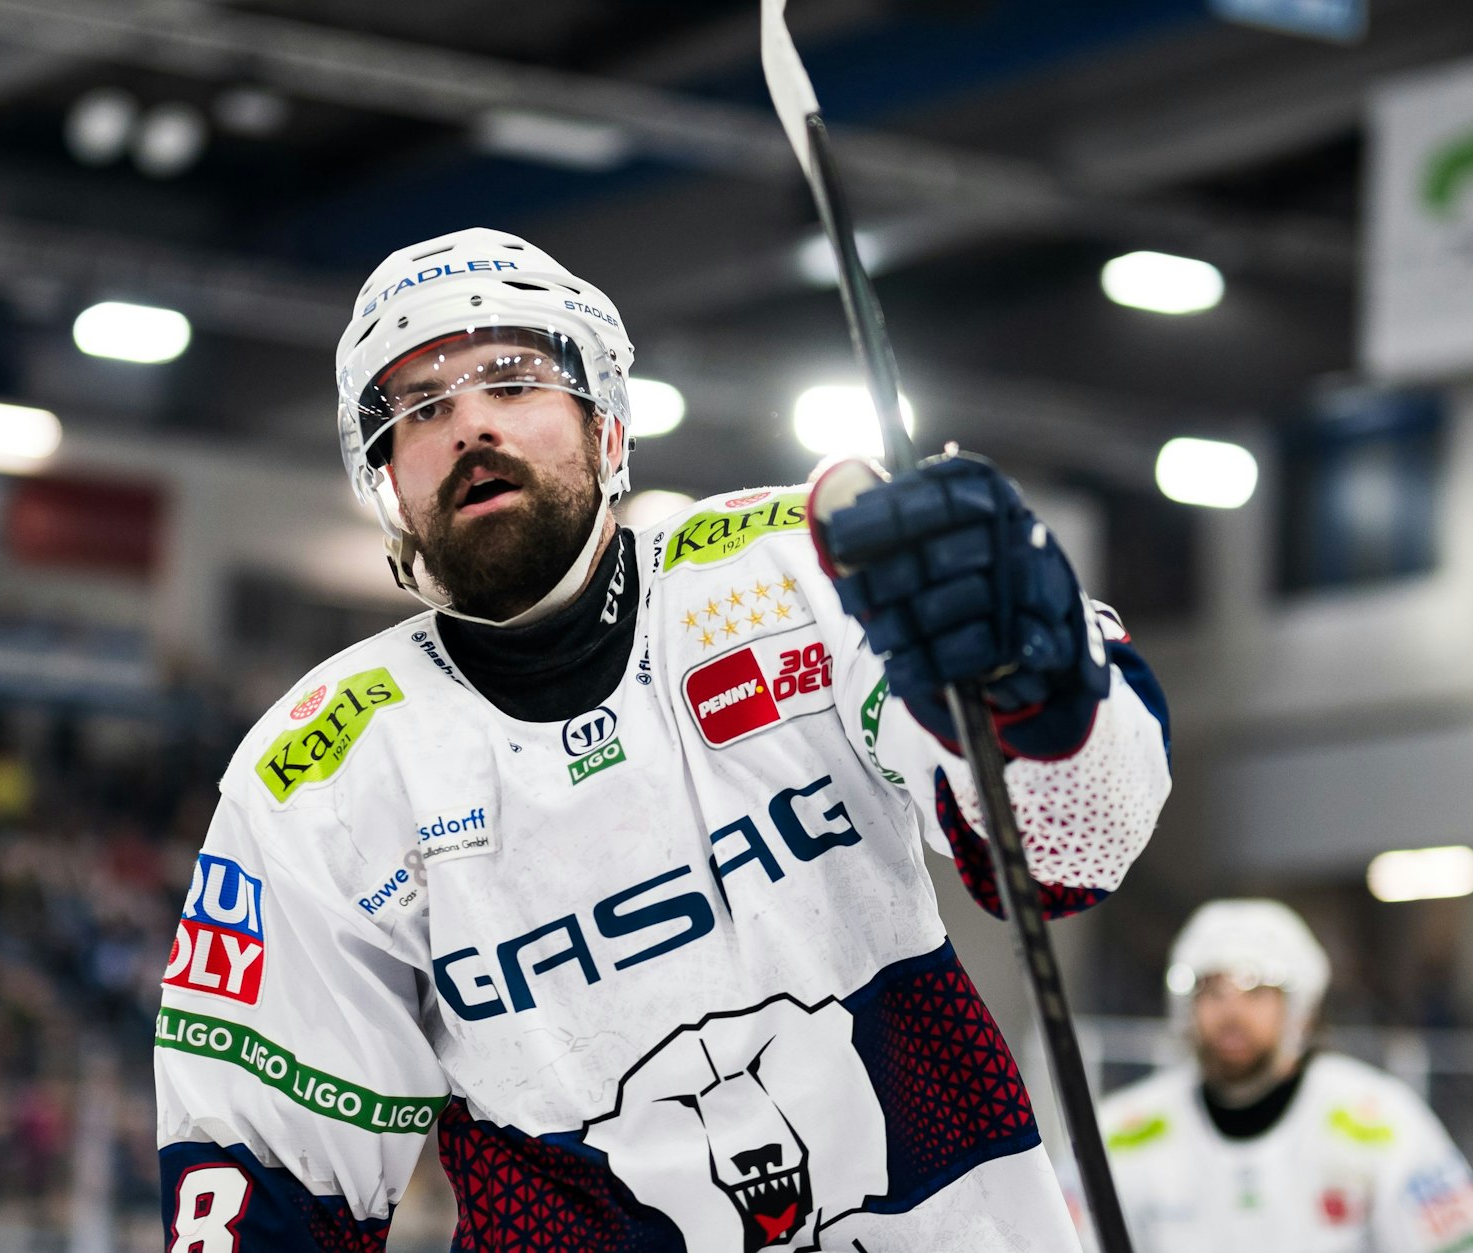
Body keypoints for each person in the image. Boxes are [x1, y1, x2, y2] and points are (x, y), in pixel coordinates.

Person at [154, 227, 1173, 1251]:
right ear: (386, 484)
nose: (468, 424)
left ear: (606, 428)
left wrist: (1029, 685)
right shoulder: (319, 772)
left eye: (511, 380)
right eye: (420, 408)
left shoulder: (799, 569)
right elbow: (262, 1167)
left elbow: (1073, 853)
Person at [1099, 899, 1473, 1252]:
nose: (1233, 1014)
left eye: (1256, 992)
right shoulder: (1121, 1132)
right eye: (1213, 991)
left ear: (1300, 1012)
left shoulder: (1383, 1122)